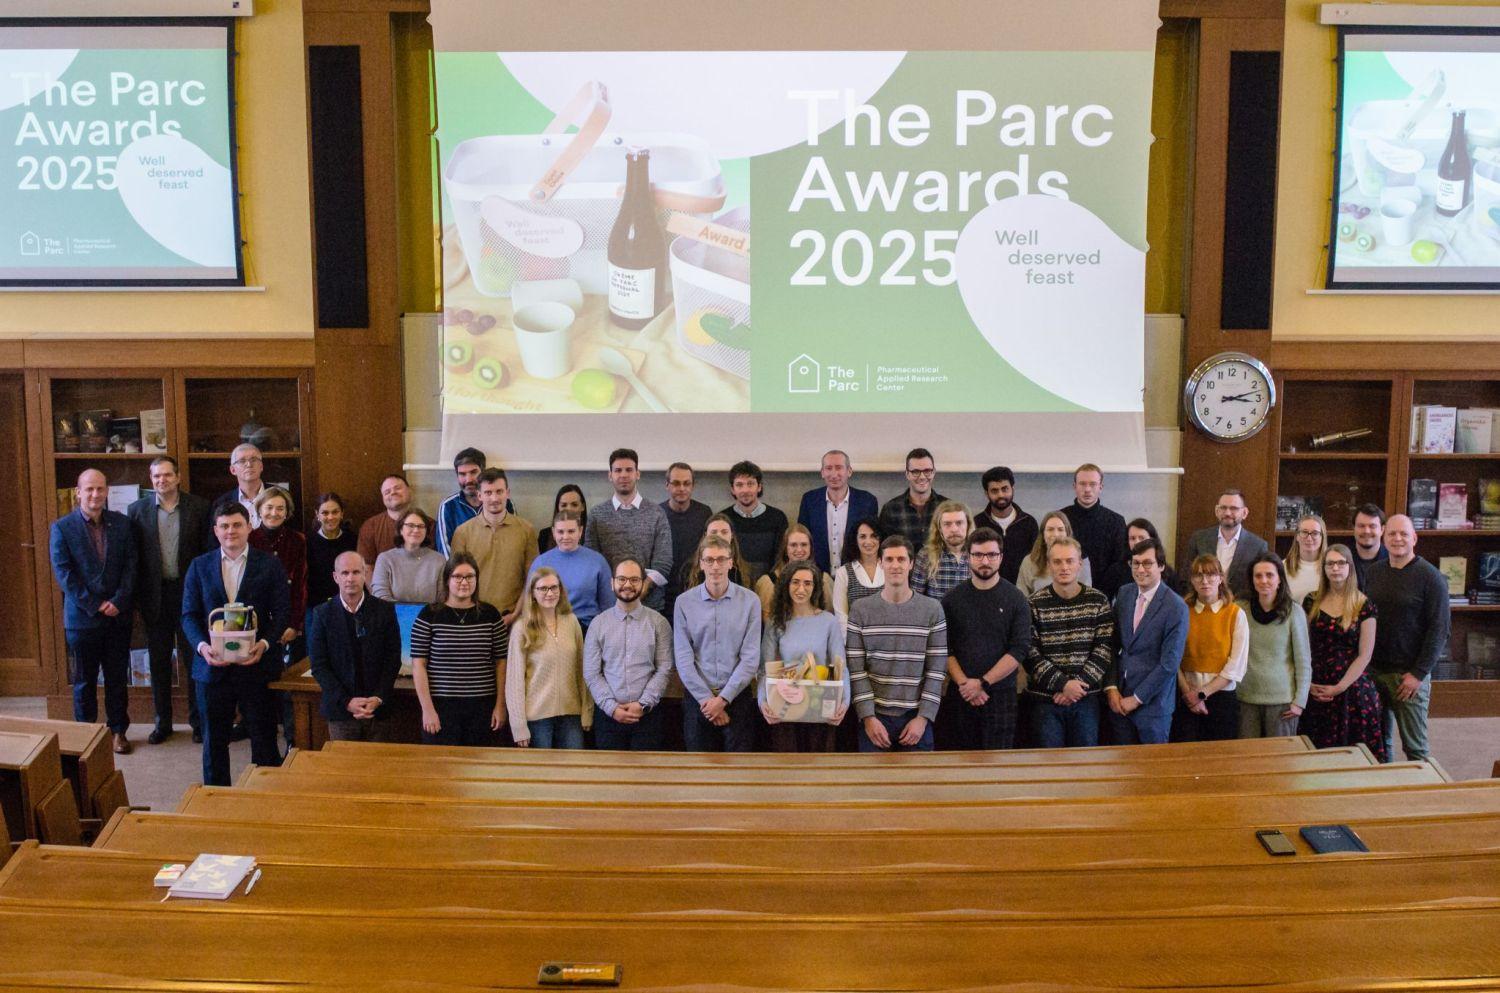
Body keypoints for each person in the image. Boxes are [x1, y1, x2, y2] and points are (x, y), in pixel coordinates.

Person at [181, 503, 290, 785]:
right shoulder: (199, 566)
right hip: (212, 668)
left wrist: (265, 644)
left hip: (256, 666)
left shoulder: (270, 564)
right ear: (216, 530)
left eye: (237, 525)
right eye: (225, 526)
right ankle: (217, 801)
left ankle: (264, 797)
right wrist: (202, 648)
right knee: (214, 742)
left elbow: (282, 612)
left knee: (264, 738)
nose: (231, 531)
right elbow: (189, 616)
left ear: (249, 527)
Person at [50, 468, 138, 754]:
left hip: (117, 617)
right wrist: (96, 604)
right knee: (84, 681)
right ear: (78, 493)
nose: (95, 494)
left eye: (100, 489)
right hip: (82, 620)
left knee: (117, 680)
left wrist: (118, 601)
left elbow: (131, 567)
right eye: (89, 489)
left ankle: (118, 732)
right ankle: (85, 736)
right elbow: (64, 575)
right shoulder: (62, 528)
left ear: (107, 491)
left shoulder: (123, 524)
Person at [127, 456, 213, 744]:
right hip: (155, 597)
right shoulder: (137, 510)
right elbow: (134, 559)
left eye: (166, 475)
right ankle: (162, 723)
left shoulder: (199, 507)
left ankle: (198, 723)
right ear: (151, 480)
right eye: (156, 476)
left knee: (194, 661)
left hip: (189, 596)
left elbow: (206, 554)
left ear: (178, 477)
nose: (161, 480)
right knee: (159, 663)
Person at [847, 535, 947, 752]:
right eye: (889, 559)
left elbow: (936, 670)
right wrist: (868, 717)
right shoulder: (860, 610)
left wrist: (923, 718)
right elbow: (856, 670)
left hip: (916, 719)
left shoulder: (932, 609)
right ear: (880, 563)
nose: (895, 565)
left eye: (901, 559)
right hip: (875, 719)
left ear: (911, 564)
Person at [1364, 514, 1449, 762]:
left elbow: (1440, 630)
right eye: (1392, 533)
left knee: (1415, 749)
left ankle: (1423, 788)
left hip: (1408, 677)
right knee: (1378, 745)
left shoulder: (1431, 577)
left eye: (1404, 534)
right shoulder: (1374, 572)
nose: (1397, 538)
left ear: (1415, 538)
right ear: (1383, 537)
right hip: (1374, 672)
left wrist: (1418, 674)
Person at [939, 528, 1032, 750]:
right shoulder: (951, 599)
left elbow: (1019, 649)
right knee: (960, 763)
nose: (985, 561)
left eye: (991, 555)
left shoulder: (1016, 599)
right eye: (978, 555)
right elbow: (944, 648)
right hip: (960, 694)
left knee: (998, 763)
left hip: (1000, 695)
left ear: (1001, 557)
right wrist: (966, 685)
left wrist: (983, 683)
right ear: (968, 557)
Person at [673, 535, 761, 751]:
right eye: (709, 560)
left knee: (738, 767)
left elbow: (750, 659)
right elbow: (683, 659)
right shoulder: (683, 603)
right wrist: (707, 700)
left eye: (721, 559)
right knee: (700, 766)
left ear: (731, 562)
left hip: (737, 697)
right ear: (701, 564)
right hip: (698, 699)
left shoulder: (750, 601)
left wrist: (722, 700)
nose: (715, 566)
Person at [1023, 537, 1114, 748]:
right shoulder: (1033, 604)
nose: (1064, 567)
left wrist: (1076, 687)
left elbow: (1104, 649)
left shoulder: (1098, 601)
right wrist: (1063, 685)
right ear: (1048, 565)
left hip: (1086, 699)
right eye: (1057, 561)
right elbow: (1030, 652)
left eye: (1070, 561)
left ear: (1079, 564)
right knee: (1048, 764)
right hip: (1045, 701)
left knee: (1084, 762)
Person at [410, 553, 507, 747]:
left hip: (483, 707)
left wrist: (500, 705)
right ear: (447, 580)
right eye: (458, 576)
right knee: (442, 763)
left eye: (470, 576)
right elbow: (418, 665)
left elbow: (501, 662)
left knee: (480, 763)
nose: (464, 582)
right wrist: (427, 709)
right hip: (441, 707)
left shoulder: (490, 615)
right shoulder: (429, 615)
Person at [305, 551, 402, 742]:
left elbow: (392, 658)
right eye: (345, 573)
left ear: (365, 574)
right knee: (343, 761)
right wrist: (346, 701)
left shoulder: (384, 610)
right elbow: (319, 666)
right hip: (341, 711)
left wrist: (378, 697)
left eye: (356, 572)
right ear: (336, 577)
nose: (350, 578)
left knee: (379, 760)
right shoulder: (322, 614)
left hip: (378, 709)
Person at [583, 557, 675, 750]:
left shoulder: (659, 623)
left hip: (648, 717)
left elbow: (664, 669)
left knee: (646, 769)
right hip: (608, 717)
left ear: (643, 583)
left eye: (634, 580)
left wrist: (643, 704)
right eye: (622, 579)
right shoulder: (598, 624)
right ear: (612, 583)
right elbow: (592, 673)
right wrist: (611, 707)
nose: (627, 585)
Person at [1104, 538, 1189, 745]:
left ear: (1161, 566)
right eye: (1136, 563)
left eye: (1148, 563)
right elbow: (1113, 644)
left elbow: (1169, 663)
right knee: (1122, 763)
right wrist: (1111, 687)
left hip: (1154, 706)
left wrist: (1137, 699)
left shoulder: (1176, 606)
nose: (1140, 569)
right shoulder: (1124, 593)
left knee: (1153, 765)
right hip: (1120, 701)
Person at [1302, 544, 1384, 755]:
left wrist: (1339, 687)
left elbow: (1365, 655)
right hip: (1316, 686)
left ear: (1350, 567)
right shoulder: (1311, 601)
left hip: (1351, 689)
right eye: (1330, 564)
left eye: (1341, 563)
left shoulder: (1364, 605)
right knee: (1314, 754)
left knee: (1353, 755)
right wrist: (1307, 684)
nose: (1335, 568)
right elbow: (1303, 646)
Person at [758, 559, 848, 752]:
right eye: (795, 582)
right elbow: (765, 668)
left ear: (815, 588)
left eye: (807, 583)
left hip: (819, 707)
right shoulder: (775, 622)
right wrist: (763, 701)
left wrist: (844, 701)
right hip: (784, 707)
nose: (801, 588)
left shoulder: (828, 621)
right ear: (786, 585)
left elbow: (841, 666)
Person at [505, 567, 591, 749]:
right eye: (543, 588)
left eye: (554, 587)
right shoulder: (522, 628)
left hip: (571, 715)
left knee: (574, 765)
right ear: (533, 594)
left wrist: (586, 710)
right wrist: (518, 725)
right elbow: (514, 681)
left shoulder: (572, 621)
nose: (550, 593)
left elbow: (582, 670)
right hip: (537, 718)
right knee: (542, 767)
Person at [1170, 555, 1247, 743]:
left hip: (1221, 698)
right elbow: (1172, 657)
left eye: (1211, 575)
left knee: (1219, 756)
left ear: (1220, 578)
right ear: (1192, 580)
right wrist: (1189, 694)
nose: (1204, 581)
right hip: (1185, 696)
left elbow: (1236, 666)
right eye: (1198, 575)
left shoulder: (1235, 614)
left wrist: (1202, 694)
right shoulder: (1181, 611)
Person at [585, 448, 674, 612]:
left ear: (637, 474)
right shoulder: (597, 515)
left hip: (649, 607)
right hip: (609, 607)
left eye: (629, 470)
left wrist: (641, 589)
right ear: (610, 475)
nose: (624, 475)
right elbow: (592, 561)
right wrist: (617, 594)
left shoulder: (656, 513)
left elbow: (664, 561)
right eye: (618, 470)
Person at [450, 467, 537, 628]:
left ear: (507, 493)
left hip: (514, 620)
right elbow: (456, 581)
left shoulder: (526, 530)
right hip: (473, 619)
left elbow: (531, 579)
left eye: (499, 491)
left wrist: (515, 615)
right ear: (479, 495)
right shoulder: (462, 532)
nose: (494, 498)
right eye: (488, 492)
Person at [1237, 553, 1311, 739]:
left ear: (1280, 579)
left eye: (1269, 575)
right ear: (1252, 580)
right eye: (1258, 576)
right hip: (1245, 698)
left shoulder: (1294, 612)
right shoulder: (1239, 609)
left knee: (1280, 754)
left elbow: (1303, 661)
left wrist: (1300, 701)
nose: (1264, 580)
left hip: (1283, 702)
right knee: (1247, 754)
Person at [248, 486, 306, 666]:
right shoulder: (248, 540)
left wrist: (294, 624)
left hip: (288, 616)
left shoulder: (297, 540)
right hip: (257, 621)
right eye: (269, 507)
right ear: (259, 510)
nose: (274, 513)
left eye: (280, 508)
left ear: (287, 512)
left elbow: (301, 584)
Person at [796, 449, 878, 573]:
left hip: (855, 574)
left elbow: (873, 542)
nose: (834, 474)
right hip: (817, 575)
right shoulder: (809, 500)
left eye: (839, 468)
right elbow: (802, 539)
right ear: (822, 472)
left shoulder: (867, 501)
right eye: (829, 468)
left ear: (849, 471)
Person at [530, 511, 614, 630]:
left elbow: (609, 605)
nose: (565, 537)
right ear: (553, 532)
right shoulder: (541, 562)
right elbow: (530, 602)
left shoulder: (597, 561)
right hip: (549, 628)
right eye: (560, 532)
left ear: (580, 531)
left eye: (571, 531)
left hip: (588, 628)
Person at [1181, 488, 1269, 600]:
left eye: (1234, 508)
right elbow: (1186, 576)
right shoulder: (1199, 539)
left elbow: (1259, 583)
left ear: (1244, 513)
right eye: (1223, 508)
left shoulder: (1258, 546)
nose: (1227, 513)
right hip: (1203, 605)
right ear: (1216, 511)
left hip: (1241, 606)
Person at [1062, 463, 1130, 598]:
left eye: (1093, 484)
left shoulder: (1116, 521)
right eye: (1082, 484)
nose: (1087, 489)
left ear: (1101, 487)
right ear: (1074, 486)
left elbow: (1119, 564)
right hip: (1066, 592)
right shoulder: (1061, 519)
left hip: (1105, 595)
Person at [721, 459, 787, 585]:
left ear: (759, 487)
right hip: (732, 584)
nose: (745, 490)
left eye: (750, 484)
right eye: (739, 485)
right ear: (732, 489)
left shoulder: (777, 518)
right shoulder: (723, 519)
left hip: (769, 585)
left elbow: (781, 559)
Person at [661, 461, 711, 621]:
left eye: (686, 483)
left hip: (697, 590)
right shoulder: (658, 514)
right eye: (676, 483)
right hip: (664, 594)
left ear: (693, 486)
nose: (681, 488)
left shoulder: (704, 513)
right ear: (667, 485)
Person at [973, 465, 1038, 586]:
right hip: (986, 588)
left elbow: (1036, 562)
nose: (1001, 495)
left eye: (1005, 489)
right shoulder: (977, 523)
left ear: (1013, 489)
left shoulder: (1029, 523)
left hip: (1022, 590)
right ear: (987, 493)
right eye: (994, 491)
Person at [754, 524, 833, 620]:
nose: (799, 550)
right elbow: (767, 621)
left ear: (811, 548)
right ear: (785, 548)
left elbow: (829, 617)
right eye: (793, 545)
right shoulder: (768, 582)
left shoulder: (824, 580)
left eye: (804, 545)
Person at [878, 448, 947, 549]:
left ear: (933, 472)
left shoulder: (946, 507)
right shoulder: (891, 509)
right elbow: (884, 549)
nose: (922, 477)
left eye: (927, 471)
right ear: (907, 474)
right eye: (915, 472)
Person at [372, 509, 445, 603]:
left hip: (429, 612)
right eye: (410, 525)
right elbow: (380, 596)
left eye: (421, 526)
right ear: (401, 530)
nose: (416, 530)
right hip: (392, 612)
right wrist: (406, 610)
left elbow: (442, 599)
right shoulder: (385, 559)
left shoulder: (439, 560)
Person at [1015, 510, 1094, 594]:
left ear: (1067, 533)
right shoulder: (1030, 561)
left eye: (1060, 529)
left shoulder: (1081, 560)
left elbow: (1087, 595)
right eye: (1050, 529)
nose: (1055, 534)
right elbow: (1021, 596)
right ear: (1043, 534)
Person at [1099, 518, 1182, 598]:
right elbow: (1103, 599)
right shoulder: (1116, 571)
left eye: (1142, 538)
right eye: (1132, 538)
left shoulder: (1166, 572)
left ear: (1152, 540)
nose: (1137, 542)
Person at [911, 500, 971, 600]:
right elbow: (916, 599)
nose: (954, 529)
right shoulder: (926, 555)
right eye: (947, 524)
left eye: (959, 523)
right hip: (937, 610)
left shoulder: (979, 554)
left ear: (968, 525)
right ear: (939, 528)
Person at [306, 492, 357, 609]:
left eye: (335, 512)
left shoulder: (353, 540)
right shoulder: (307, 542)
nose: (330, 517)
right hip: (316, 606)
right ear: (317, 514)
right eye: (325, 513)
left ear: (342, 513)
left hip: (349, 604)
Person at [832, 517, 884, 625]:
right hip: (854, 634)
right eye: (862, 536)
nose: (868, 541)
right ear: (855, 540)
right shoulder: (843, 573)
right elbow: (841, 616)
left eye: (873, 536)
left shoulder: (890, 568)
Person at [356, 473, 414, 569]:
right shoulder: (370, 526)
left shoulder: (428, 524)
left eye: (397, 488)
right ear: (383, 498)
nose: (393, 493)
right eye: (387, 492)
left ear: (410, 491)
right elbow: (367, 567)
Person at [435, 447, 485, 556]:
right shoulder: (448, 506)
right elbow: (444, 551)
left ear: (483, 472)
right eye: (462, 474)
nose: (468, 480)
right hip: (460, 566)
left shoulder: (503, 503)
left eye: (473, 472)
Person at [217, 444, 265, 527]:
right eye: (242, 461)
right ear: (233, 470)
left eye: (253, 460)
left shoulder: (280, 496)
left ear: (261, 466)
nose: (249, 464)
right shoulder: (221, 503)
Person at [1283, 513, 1328, 604]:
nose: (1309, 538)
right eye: (1304, 532)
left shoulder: (1331, 567)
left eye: (1315, 533)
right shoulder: (1283, 566)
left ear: (1322, 537)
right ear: (1297, 536)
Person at [537, 483, 588, 555]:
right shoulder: (545, 535)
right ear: (558, 508)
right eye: (564, 505)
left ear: (582, 507)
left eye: (574, 505)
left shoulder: (591, 533)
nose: (569, 509)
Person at [1351, 503, 1388, 591]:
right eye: (1361, 526)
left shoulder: (1393, 560)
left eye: (1372, 526)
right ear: (1353, 528)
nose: (1367, 531)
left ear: (1382, 529)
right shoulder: (1343, 559)